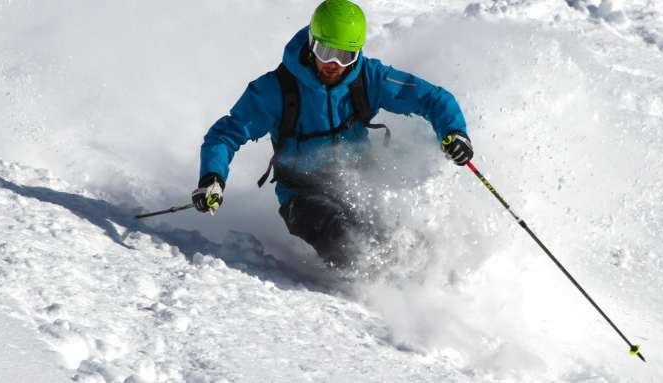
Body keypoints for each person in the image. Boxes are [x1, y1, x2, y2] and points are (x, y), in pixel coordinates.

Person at [192, 0, 473, 267]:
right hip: (301, 194)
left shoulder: (369, 78)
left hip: (359, 185)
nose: (333, 64)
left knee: (404, 240)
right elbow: (225, 134)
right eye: (325, 52)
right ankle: (379, 295)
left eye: (345, 55)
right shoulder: (276, 89)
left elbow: (433, 99)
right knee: (344, 237)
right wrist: (212, 178)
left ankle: (439, 285)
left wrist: (454, 132)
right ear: (311, 42)